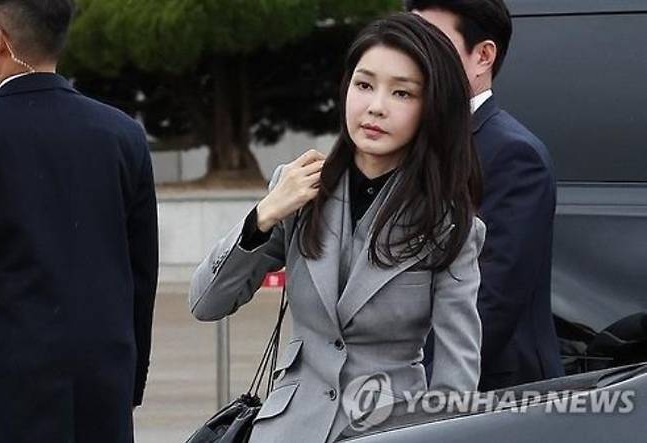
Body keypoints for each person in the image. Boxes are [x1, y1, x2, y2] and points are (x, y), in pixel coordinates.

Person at [190, 13, 485, 443]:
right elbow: (206, 303)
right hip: (288, 431)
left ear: (431, 107)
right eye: (364, 85)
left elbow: (458, 377)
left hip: (388, 431)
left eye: (402, 92)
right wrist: (263, 215)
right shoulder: (298, 189)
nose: (376, 106)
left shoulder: (449, 223)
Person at [0, 1, 158, 442]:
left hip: (6, 383)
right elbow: (141, 275)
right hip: (102, 381)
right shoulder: (123, 134)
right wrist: (129, 381)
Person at [407, 0, 564, 391]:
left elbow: (490, 301)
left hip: (492, 393)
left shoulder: (513, 154)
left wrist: (416, 399)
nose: (411, 56)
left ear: (483, 56)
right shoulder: (407, 142)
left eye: (431, 42)